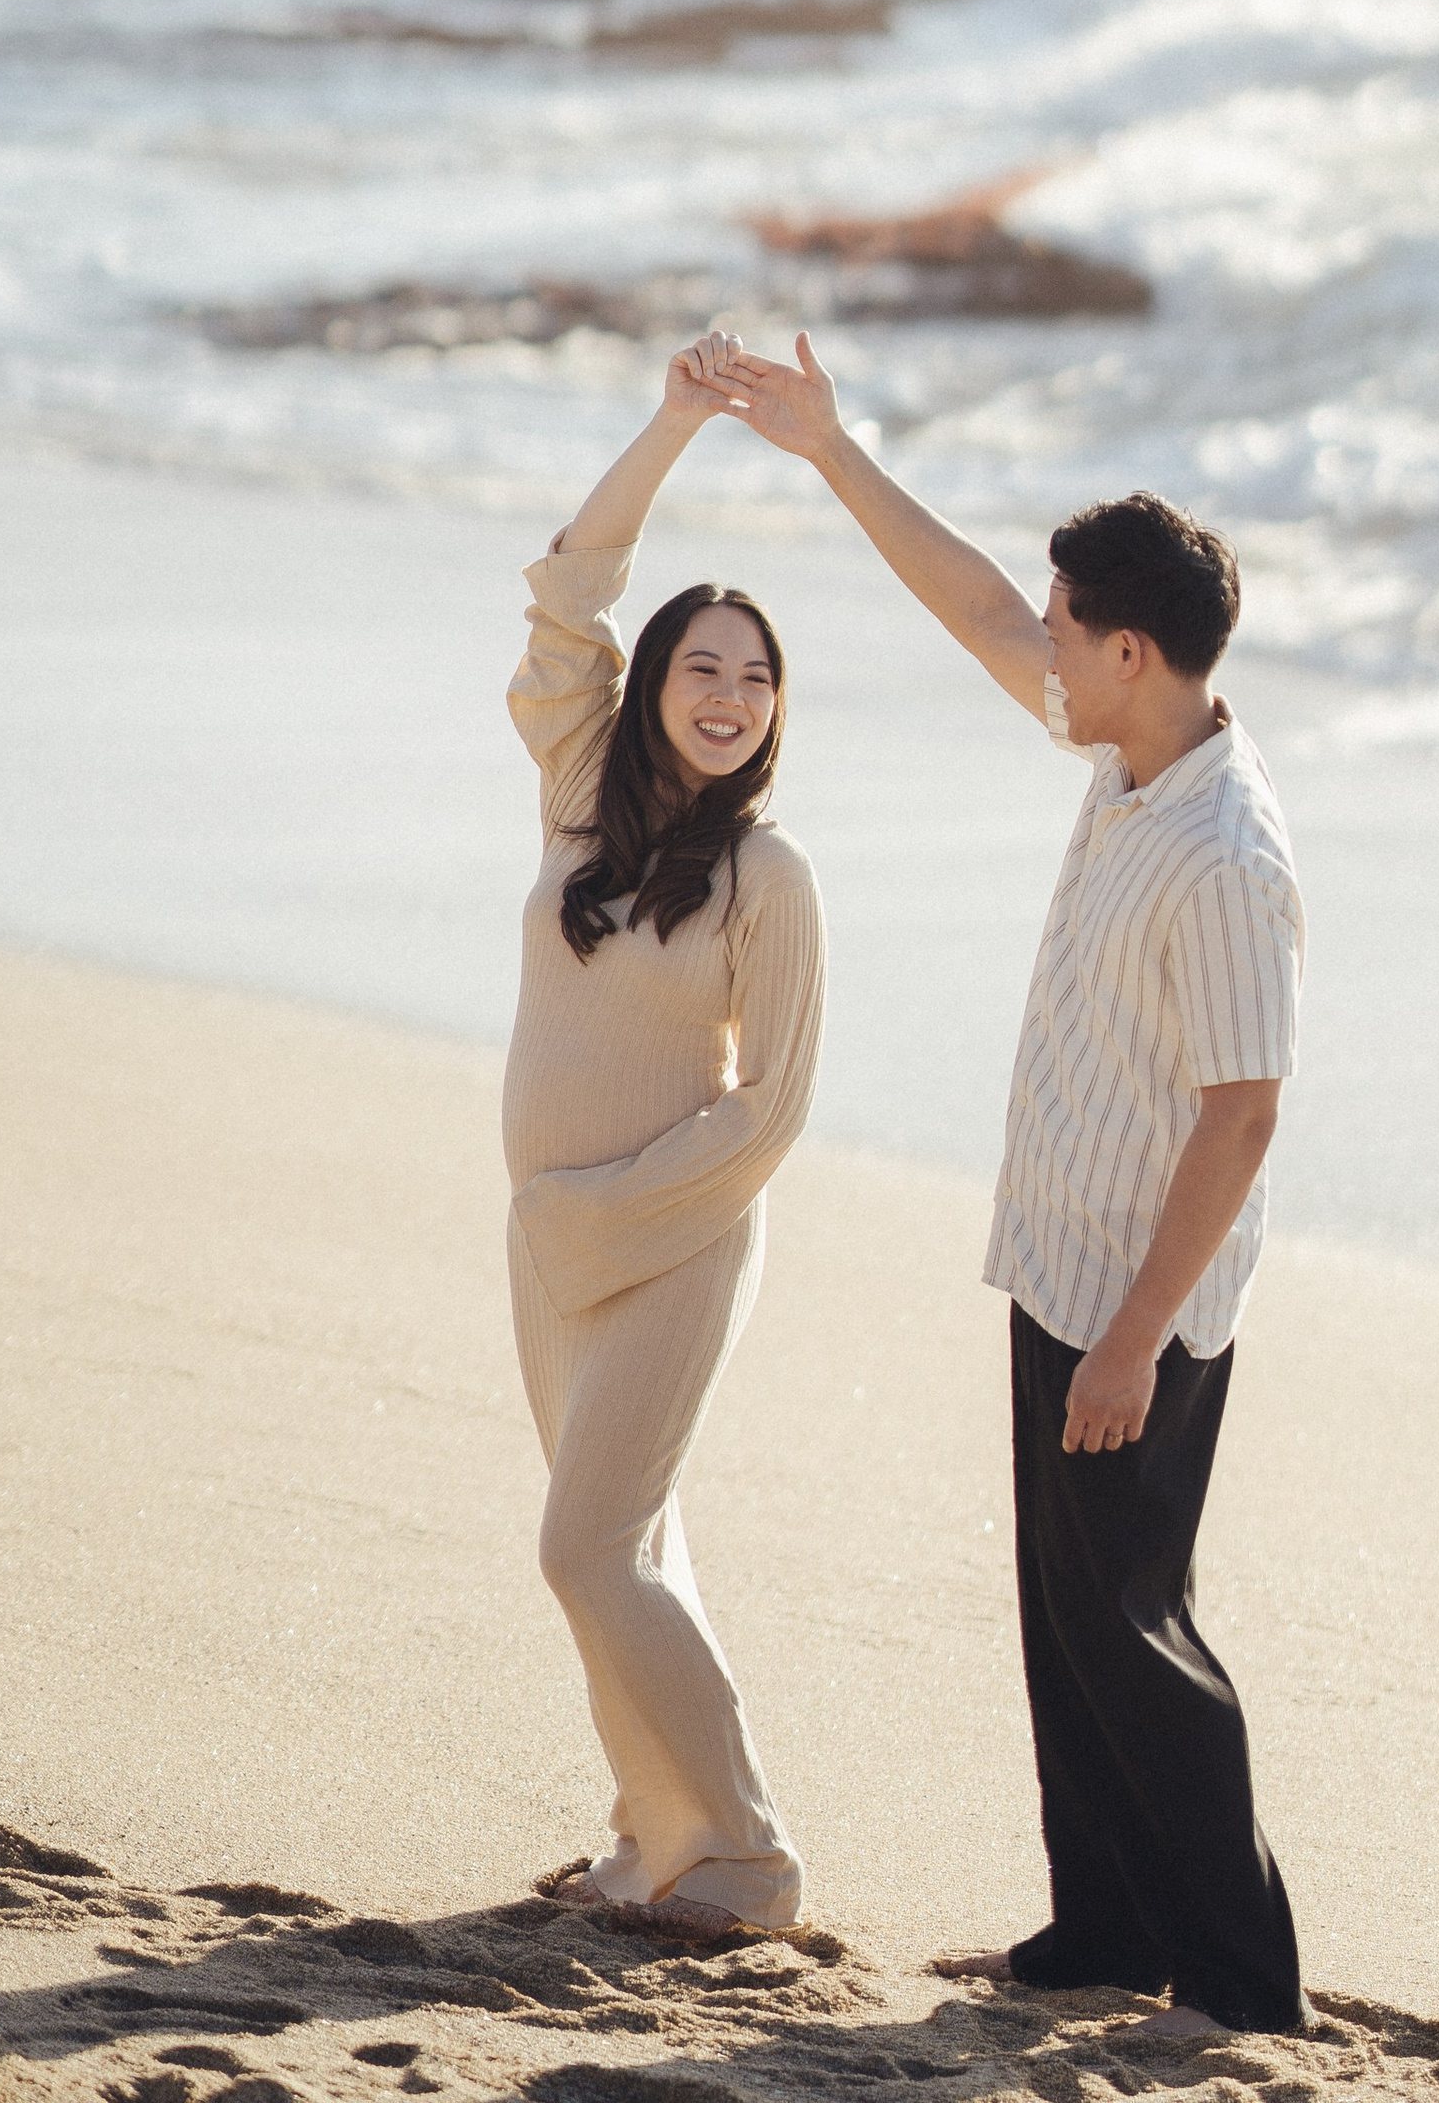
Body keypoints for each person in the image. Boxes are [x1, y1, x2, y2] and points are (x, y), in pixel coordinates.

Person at [724, 329, 1307, 2041]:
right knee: (1068, 1629)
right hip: (1063, 1267)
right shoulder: (1130, 746)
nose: (1036, 641)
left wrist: (1133, 1342)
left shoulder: (1225, 854)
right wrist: (835, 452)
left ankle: (1246, 1985)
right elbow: (976, 603)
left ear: (1133, 651)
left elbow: (1244, 1117)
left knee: (1138, 1636)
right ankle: (1105, 1933)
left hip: (1143, 1304)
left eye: (1067, 626)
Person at [502, 330, 825, 1936]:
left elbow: (773, 1106)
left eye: (757, 678)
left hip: (673, 1241)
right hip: (547, 1238)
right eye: (704, 666)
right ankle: (656, 1834)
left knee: (588, 1547)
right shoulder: (580, 800)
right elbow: (569, 592)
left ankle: (750, 1856)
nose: (730, 697)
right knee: (632, 1548)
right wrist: (676, 421)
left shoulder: (772, 881)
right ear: (655, 690)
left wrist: (608, 1205)